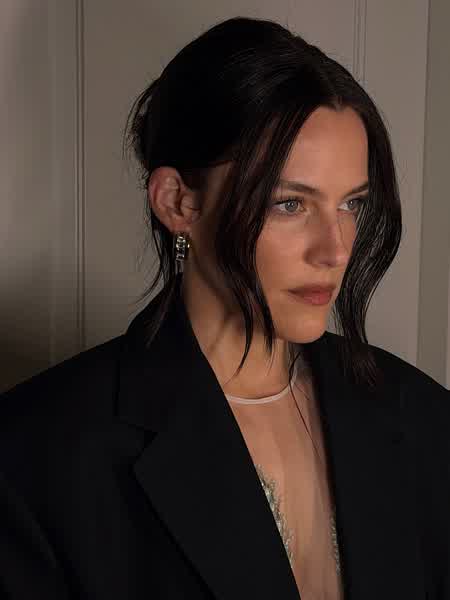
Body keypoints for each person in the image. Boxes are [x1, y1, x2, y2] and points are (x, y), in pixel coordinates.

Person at [0, 15, 449, 600]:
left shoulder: (422, 415)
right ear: (178, 202)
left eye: (351, 204)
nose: (335, 250)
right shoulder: (36, 454)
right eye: (290, 204)